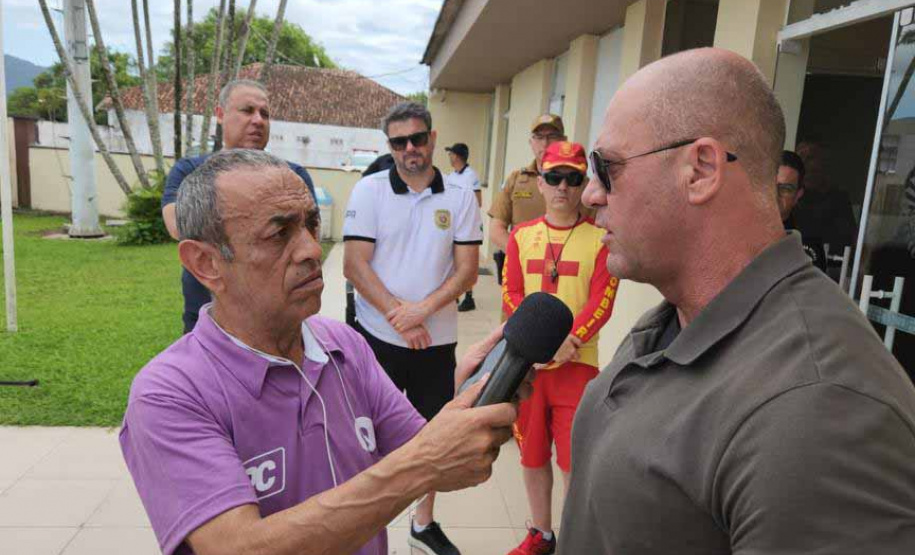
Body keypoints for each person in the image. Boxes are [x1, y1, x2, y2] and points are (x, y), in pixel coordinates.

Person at [562, 47, 915, 554]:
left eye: (607, 167)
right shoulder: (676, 319)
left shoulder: (820, 407)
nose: (590, 194)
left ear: (702, 169)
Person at [120, 149, 517, 555]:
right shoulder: (169, 394)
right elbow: (237, 548)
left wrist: (471, 395)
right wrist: (419, 466)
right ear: (205, 263)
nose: (311, 249)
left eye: (311, 224)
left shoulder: (343, 346)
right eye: (279, 233)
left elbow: (432, 457)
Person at [342, 102, 482, 555]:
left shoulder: (459, 197)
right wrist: (401, 317)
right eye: (398, 142)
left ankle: (422, 523)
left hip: (435, 340)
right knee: (366, 432)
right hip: (377, 337)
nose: (409, 149)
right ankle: (363, 519)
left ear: (433, 138)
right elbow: (354, 265)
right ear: (390, 146)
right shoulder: (369, 190)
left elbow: (465, 272)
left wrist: (420, 312)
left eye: (417, 139)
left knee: (430, 433)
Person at [501, 141, 619, 555]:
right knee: (532, 456)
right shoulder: (521, 236)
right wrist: (540, 344)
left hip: (578, 365)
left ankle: (573, 541)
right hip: (529, 370)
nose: (563, 187)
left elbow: (602, 301)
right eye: (554, 178)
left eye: (573, 178)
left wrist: (572, 340)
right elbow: (512, 294)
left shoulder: (601, 239)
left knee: (573, 461)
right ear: (541, 181)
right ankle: (541, 535)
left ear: (583, 182)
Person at [161, 79, 316, 334]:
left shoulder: (292, 175)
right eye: (247, 110)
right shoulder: (189, 171)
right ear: (221, 115)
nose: (258, 120)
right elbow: (177, 226)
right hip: (207, 317)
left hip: (278, 320)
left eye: (264, 114)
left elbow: (307, 235)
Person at [489, 115, 566, 288]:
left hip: (565, 278)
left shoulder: (578, 184)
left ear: (563, 141)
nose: (545, 143)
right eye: (539, 137)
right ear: (531, 142)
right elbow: (496, 230)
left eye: (552, 136)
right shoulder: (516, 180)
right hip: (521, 276)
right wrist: (527, 256)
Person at [445, 142, 482, 312]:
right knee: (451, 261)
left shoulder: (470, 176)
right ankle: (455, 294)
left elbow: (478, 201)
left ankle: (469, 298)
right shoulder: (451, 177)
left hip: (467, 227)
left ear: (458, 156)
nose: (449, 157)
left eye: (451, 154)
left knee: (465, 262)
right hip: (452, 225)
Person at [778, 150, 826, 271]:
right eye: (772, 185)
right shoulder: (743, 225)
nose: (775, 194)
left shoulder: (806, 239)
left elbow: (814, 288)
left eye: (786, 189)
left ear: (798, 195)